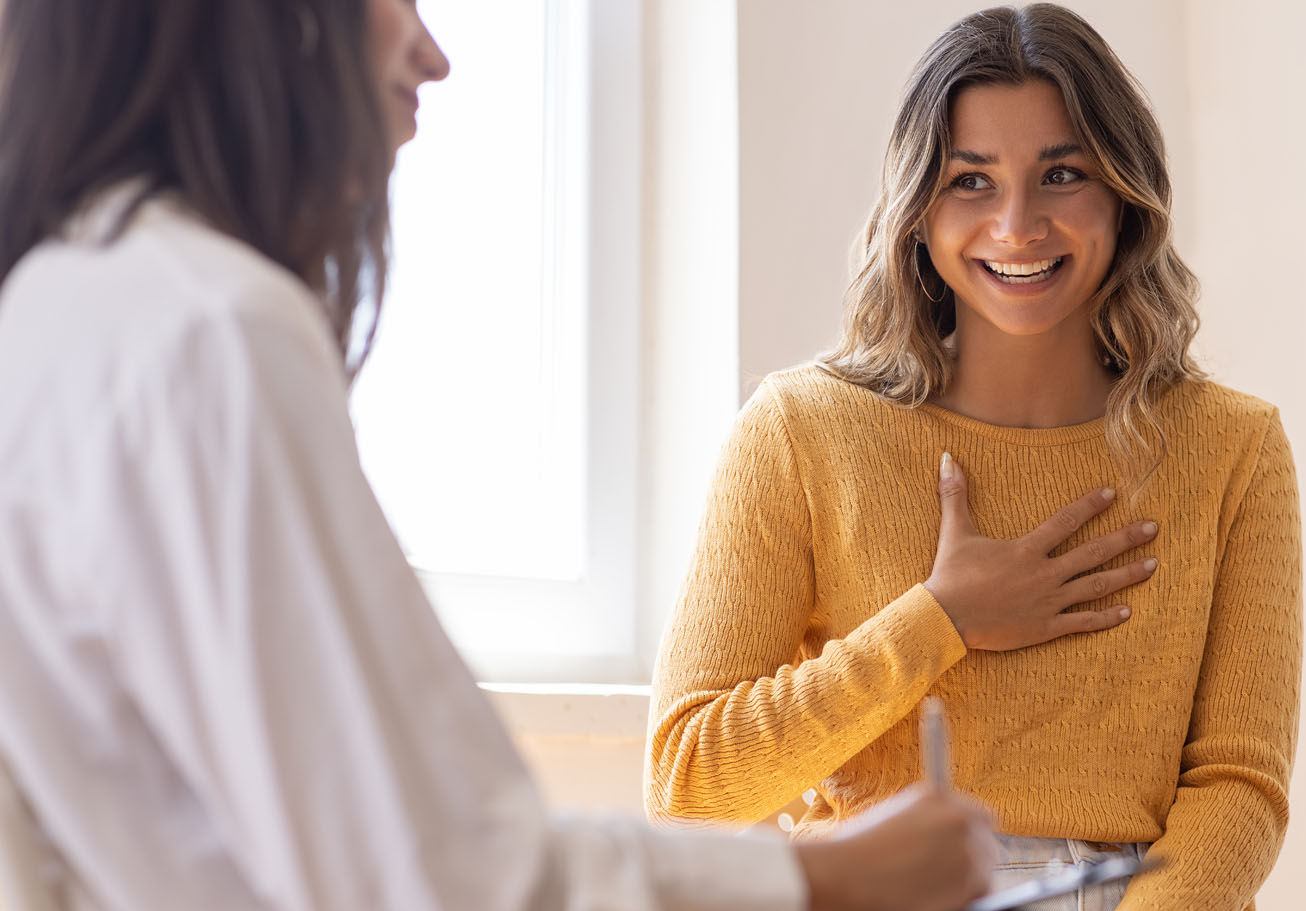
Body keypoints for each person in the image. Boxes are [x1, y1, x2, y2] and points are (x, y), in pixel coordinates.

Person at [0, 1, 999, 909]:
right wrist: (829, 873)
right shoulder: (211, 336)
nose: (433, 56)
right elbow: (445, 876)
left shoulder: (52, 313)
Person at [645, 5, 1303, 911]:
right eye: (972, 181)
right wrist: (940, 618)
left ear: (1123, 195)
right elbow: (687, 783)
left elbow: (1240, 785)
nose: (1019, 224)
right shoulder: (799, 431)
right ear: (918, 209)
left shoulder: (1234, 448)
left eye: (1062, 174)